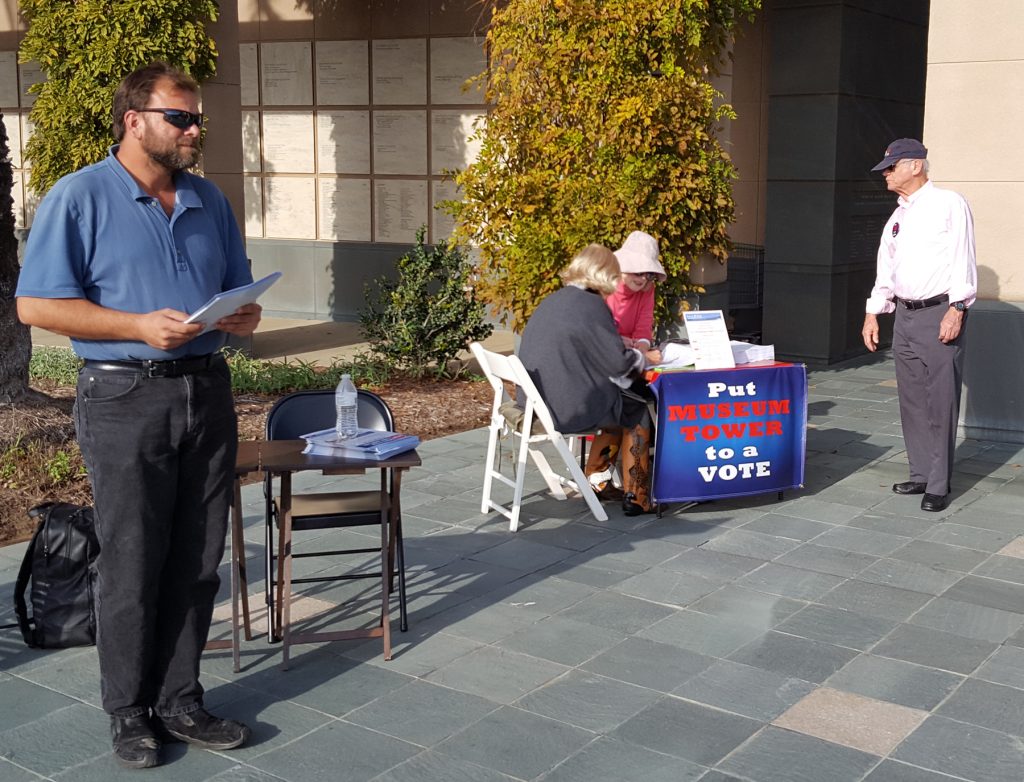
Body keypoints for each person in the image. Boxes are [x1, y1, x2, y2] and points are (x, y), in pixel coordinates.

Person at [16, 63, 261, 769]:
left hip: (207, 390)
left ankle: (181, 698)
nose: (193, 130)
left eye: (195, 119)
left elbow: (234, 288)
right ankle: (129, 711)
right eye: (179, 118)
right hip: (124, 396)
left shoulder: (210, 200)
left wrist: (243, 315)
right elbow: (36, 306)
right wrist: (134, 326)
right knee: (131, 559)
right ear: (134, 120)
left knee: (198, 556)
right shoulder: (79, 198)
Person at [861, 138, 976, 513]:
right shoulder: (898, 216)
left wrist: (957, 307)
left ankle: (939, 485)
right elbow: (886, 268)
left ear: (915, 165)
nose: (886, 174)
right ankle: (920, 473)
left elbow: (963, 257)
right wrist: (873, 312)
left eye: (892, 167)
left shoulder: (948, 204)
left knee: (940, 399)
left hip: (938, 311)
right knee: (911, 398)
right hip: (905, 316)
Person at [517, 244, 654, 515]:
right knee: (638, 404)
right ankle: (638, 497)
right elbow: (618, 366)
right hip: (563, 408)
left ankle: (597, 479)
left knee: (619, 401)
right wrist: (645, 359)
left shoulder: (556, 300)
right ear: (605, 275)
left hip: (536, 401)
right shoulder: (591, 306)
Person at [607, 230, 666, 366]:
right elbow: (595, 333)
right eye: (638, 272)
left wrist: (642, 346)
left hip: (631, 358)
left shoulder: (647, 290)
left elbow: (644, 327)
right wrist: (619, 342)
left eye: (650, 274)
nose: (644, 278)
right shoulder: (604, 287)